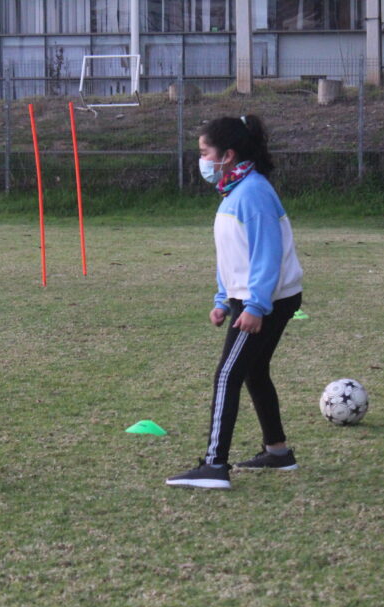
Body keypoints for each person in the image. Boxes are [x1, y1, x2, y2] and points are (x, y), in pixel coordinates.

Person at [166, 115, 303, 490]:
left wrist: (256, 306)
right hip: (251, 298)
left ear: (227, 155)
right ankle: (278, 453)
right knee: (254, 373)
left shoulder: (254, 192)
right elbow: (233, 254)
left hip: (266, 301)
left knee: (228, 374)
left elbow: (267, 254)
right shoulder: (235, 190)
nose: (201, 160)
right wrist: (223, 299)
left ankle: (214, 465)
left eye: (204, 152)